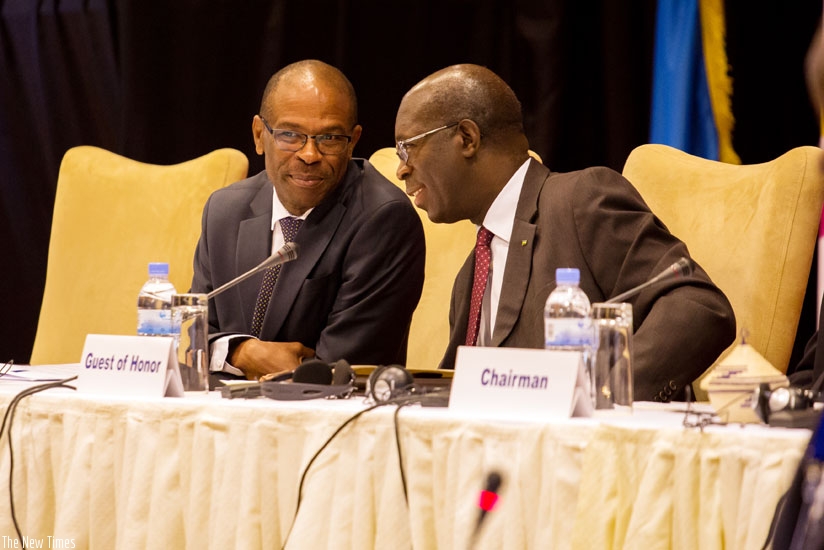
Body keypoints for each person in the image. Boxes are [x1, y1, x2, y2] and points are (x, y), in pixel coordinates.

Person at [393, 64, 736, 402]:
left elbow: (700, 308)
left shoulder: (579, 200)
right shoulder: (472, 273)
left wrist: (604, 398)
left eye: (407, 147)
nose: (401, 169)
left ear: (467, 138)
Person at [191, 60, 425, 381]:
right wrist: (244, 352)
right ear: (260, 135)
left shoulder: (383, 220)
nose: (310, 154)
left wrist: (226, 355)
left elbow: (340, 369)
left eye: (329, 138)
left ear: (353, 141)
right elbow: (195, 332)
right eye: (290, 135)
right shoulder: (225, 210)